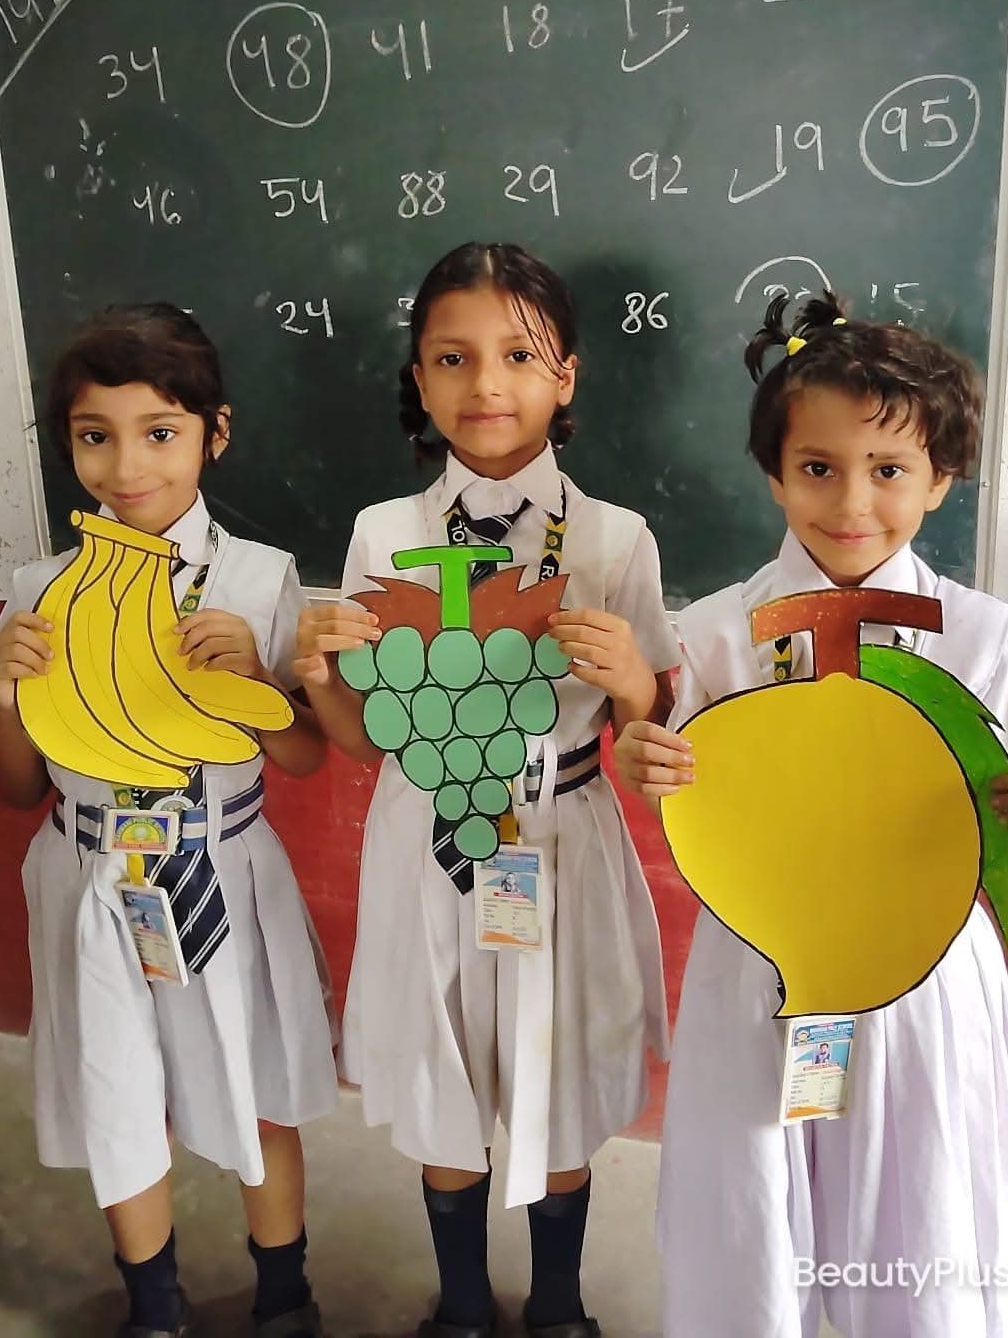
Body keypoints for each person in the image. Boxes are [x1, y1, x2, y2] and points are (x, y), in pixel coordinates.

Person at [616, 292, 1008, 1338]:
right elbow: (700, 811)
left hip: (923, 980)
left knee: (920, 1218)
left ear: (940, 478)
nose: (851, 502)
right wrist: (654, 761)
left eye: (889, 470)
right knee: (749, 1219)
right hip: (762, 975)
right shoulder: (718, 633)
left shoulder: (980, 637)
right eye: (818, 467)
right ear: (776, 473)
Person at [296, 242, 679, 1338]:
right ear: (419, 379)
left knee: (561, 1078)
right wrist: (318, 678)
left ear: (567, 376)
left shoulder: (614, 539)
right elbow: (366, 739)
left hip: (562, 831)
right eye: (452, 357)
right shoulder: (385, 533)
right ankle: (462, 1305)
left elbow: (654, 740)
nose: (486, 384)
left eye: (519, 354)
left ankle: (558, 1304)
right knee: (439, 1073)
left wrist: (634, 685)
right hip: (425, 830)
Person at [0, 304, 337, 1338]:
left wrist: (259, 683)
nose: (127, 465)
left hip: (224, 866)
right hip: (92, 879)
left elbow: (307, 755)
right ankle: (154, 1304)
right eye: (95, 435)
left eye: (160, 431)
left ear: (214, 434)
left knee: (258, 1084)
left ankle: (284, 1292)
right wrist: (5, 701)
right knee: (116, 1093)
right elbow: (17, 788)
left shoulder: (259, 577)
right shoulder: (41, 591)